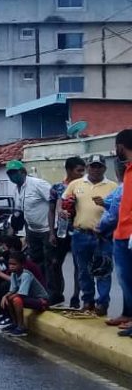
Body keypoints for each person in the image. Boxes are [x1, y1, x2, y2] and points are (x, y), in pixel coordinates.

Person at [61, 154, 117, 315]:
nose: (96, 169)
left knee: (103, 270)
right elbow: (63, 202)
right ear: (88, 167)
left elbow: (119, 210)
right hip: (80, 234)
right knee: (83, 270)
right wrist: (63, 211)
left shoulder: (113, 186)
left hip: (103, 236)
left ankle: (102, 304)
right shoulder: (75, 184)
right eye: (93, 165)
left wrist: (105, 204)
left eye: (99, 166)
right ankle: (88, 301)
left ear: (105, 168)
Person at [6, 160, 54, 293]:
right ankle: (40, 291)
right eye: (9, 174)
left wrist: (53, 231)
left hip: (47, 229)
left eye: (15, 172)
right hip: (32, 230)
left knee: (51, 264)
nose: (12, 176)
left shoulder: (38, 184)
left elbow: (54, 201)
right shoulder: (16, 190)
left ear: (23, 172)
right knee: (35, 263)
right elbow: (19, 213)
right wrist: (11, 235)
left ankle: (54, 295)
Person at [48, 156, 86, 307]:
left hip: (79, 231)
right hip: (62, 231)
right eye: (79, 170)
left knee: (79, 265)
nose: (82, 173)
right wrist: (51, 232)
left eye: (83, 170)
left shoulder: (84, 187)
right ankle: (57, 293)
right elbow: (51, 211)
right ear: (69, 170)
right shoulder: (57, 188)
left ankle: (76, 296)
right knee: (55, 263)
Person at [0, 251, 50, 337]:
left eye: (14, 264)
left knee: (16, 299)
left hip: (41, 301)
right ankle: (14, 323)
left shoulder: (26, 275)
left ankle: (21, 327)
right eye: (10, 264)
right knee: (9, 298)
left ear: (22, 265)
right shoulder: (14, 274)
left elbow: (22, 294)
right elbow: (13, 290)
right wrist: (5, 296)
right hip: (29, 298)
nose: (11, 266)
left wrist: (9, 297)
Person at [111, 130, 132, 333]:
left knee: (128, 277)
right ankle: (127, 313)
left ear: (120, 146)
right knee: (125, 278)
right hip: (121, 233)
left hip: (129, 234)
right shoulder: (128, 170)